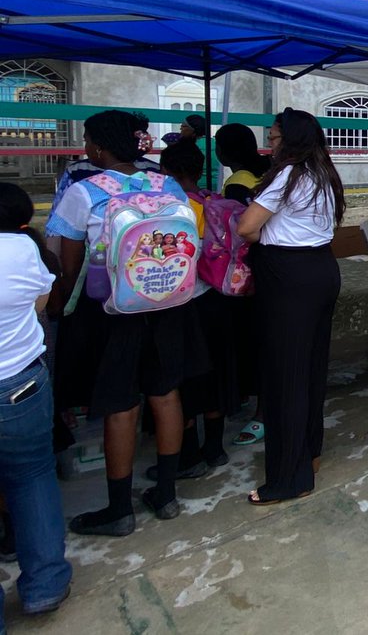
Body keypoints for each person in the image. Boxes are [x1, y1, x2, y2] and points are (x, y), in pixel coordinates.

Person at [47, 111, 197, 535]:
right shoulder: (166, 184)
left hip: (114, 312)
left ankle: (118, 510)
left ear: (98, 147)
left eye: (87, 141)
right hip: (168, 300)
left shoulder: (84, 191)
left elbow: (69, 265)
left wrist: (62, 306)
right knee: (165, 394)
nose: (85, 147)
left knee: (120, 404)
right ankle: (165, 494)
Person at [237, 108, 344, 504]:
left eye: (275, 137)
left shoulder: (288, 175)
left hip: (289, 276)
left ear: (292, 140)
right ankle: (308, 454)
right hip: (320, 269)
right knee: (310, 370)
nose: (270, 144)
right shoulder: (324, 173)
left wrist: (264, 233)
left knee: (285, 377)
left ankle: (288, 477)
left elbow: (246, 227)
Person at [0, 184, 73, 622]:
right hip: (20, 384)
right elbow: (42, 305)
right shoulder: (24, 249)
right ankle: (45, 585)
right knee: (31, 476)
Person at [157, 142, 233, 476]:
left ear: (165, 172)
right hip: (215, 298)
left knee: (182, 380)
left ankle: (188, 456)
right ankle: (215, 448)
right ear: (200, 170)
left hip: (181, 303)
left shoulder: (167, 209)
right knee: (214, 373)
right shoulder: (213, 204)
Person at [213, 123, 271, 449]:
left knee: (252, 341)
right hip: (270, 265)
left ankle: (260, 410)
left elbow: (236, 232)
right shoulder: (267, 172)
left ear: (224, 152)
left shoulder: (237, 183)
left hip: (245, 272)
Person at [179, 113, 219, 191]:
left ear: (193, 129)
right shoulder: (215, 143)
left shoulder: (190, 146)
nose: (181, 129)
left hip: (194, 188)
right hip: (215, 186)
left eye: (183, 126)